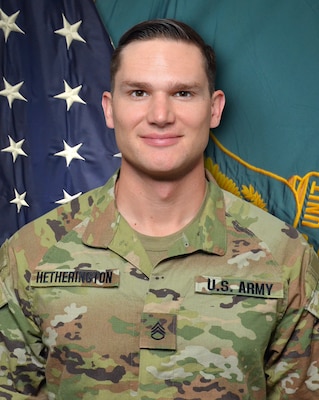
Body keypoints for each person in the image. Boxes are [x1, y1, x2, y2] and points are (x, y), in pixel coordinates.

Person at [0, 18, 318, 400]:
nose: (161, 115)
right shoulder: (31, 254)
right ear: (109, 108)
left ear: (214, 109)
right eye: (138, 93)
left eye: (183, 93)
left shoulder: (285, 259)